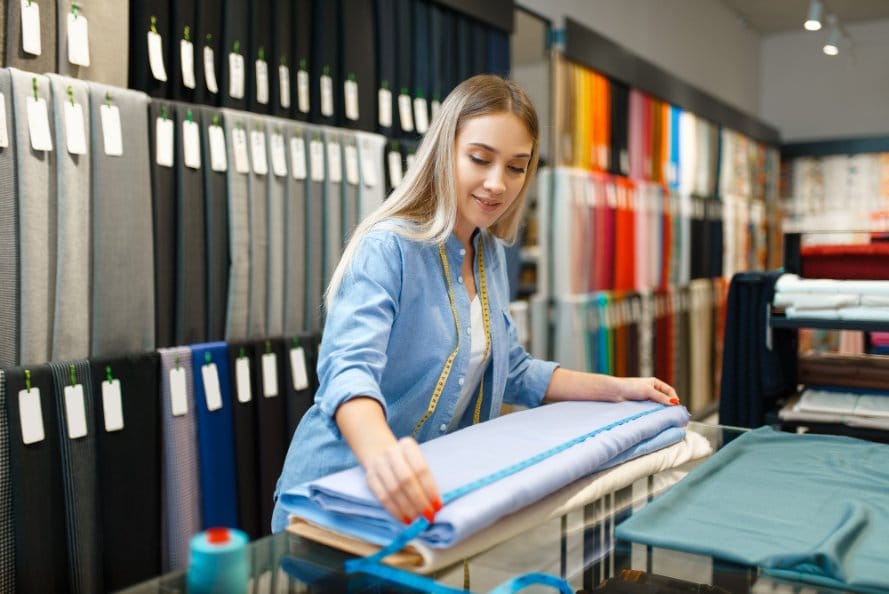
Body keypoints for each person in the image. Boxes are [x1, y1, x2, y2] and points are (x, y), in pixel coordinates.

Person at [271, 74, 679, 533]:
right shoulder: (388, 248)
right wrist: (384, 454)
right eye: (480, 159)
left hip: (425, 497)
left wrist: (617, 389)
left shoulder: (487, 255)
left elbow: (515, 372)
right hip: (340, 493)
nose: (497, 183)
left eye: (516, 167)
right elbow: (348, 371)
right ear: (444, 151)